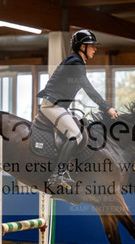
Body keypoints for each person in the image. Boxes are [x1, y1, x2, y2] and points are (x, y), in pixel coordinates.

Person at [37, 30, 118, 187]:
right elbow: (88, 88)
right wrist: (107, 108)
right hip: (52, 106)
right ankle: (57, 174)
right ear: (82, 47)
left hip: (58, 106)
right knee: (76, 136)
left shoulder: (75, 61)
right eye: (92, 46)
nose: (95, 49)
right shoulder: (75, 62)